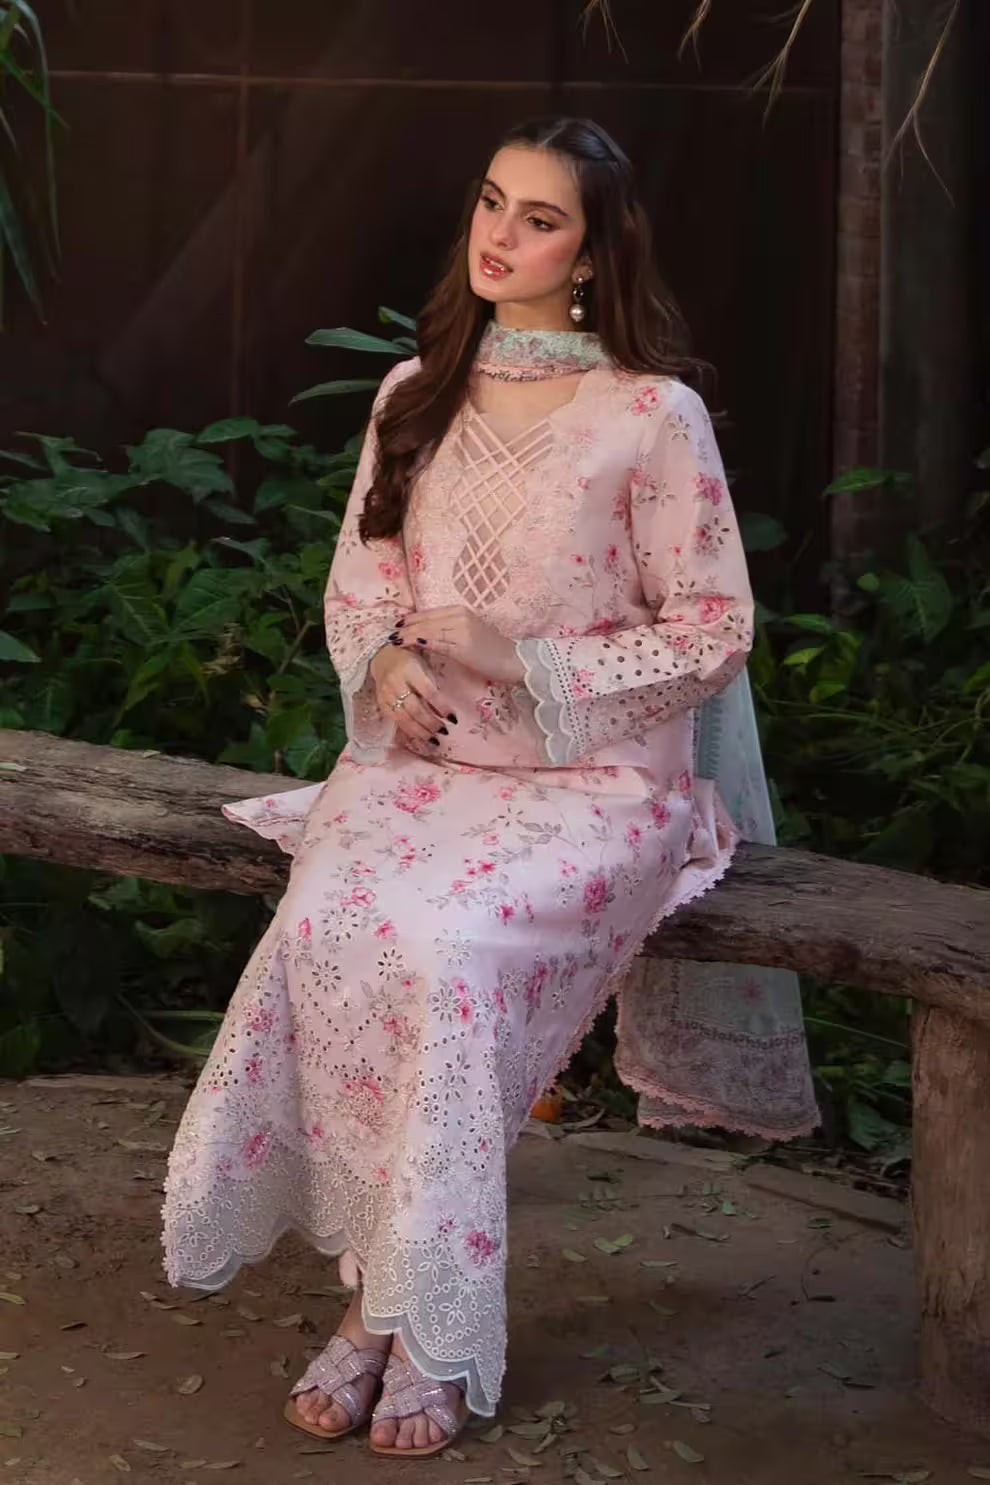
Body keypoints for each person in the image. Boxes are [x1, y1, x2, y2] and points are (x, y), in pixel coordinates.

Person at [162, 116, 817, 1459]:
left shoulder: (648, 415)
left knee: (449, 949)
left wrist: (521, 655)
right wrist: (389, 659)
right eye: (490, 203)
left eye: (538, 218)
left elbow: (712, 631)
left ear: (590, 256)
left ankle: (419, 1324)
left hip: (593, 786)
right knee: (328, 928)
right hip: (421, 770)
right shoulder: (415, 392)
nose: (498, 236)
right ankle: (376, 1300)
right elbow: (363, 586)